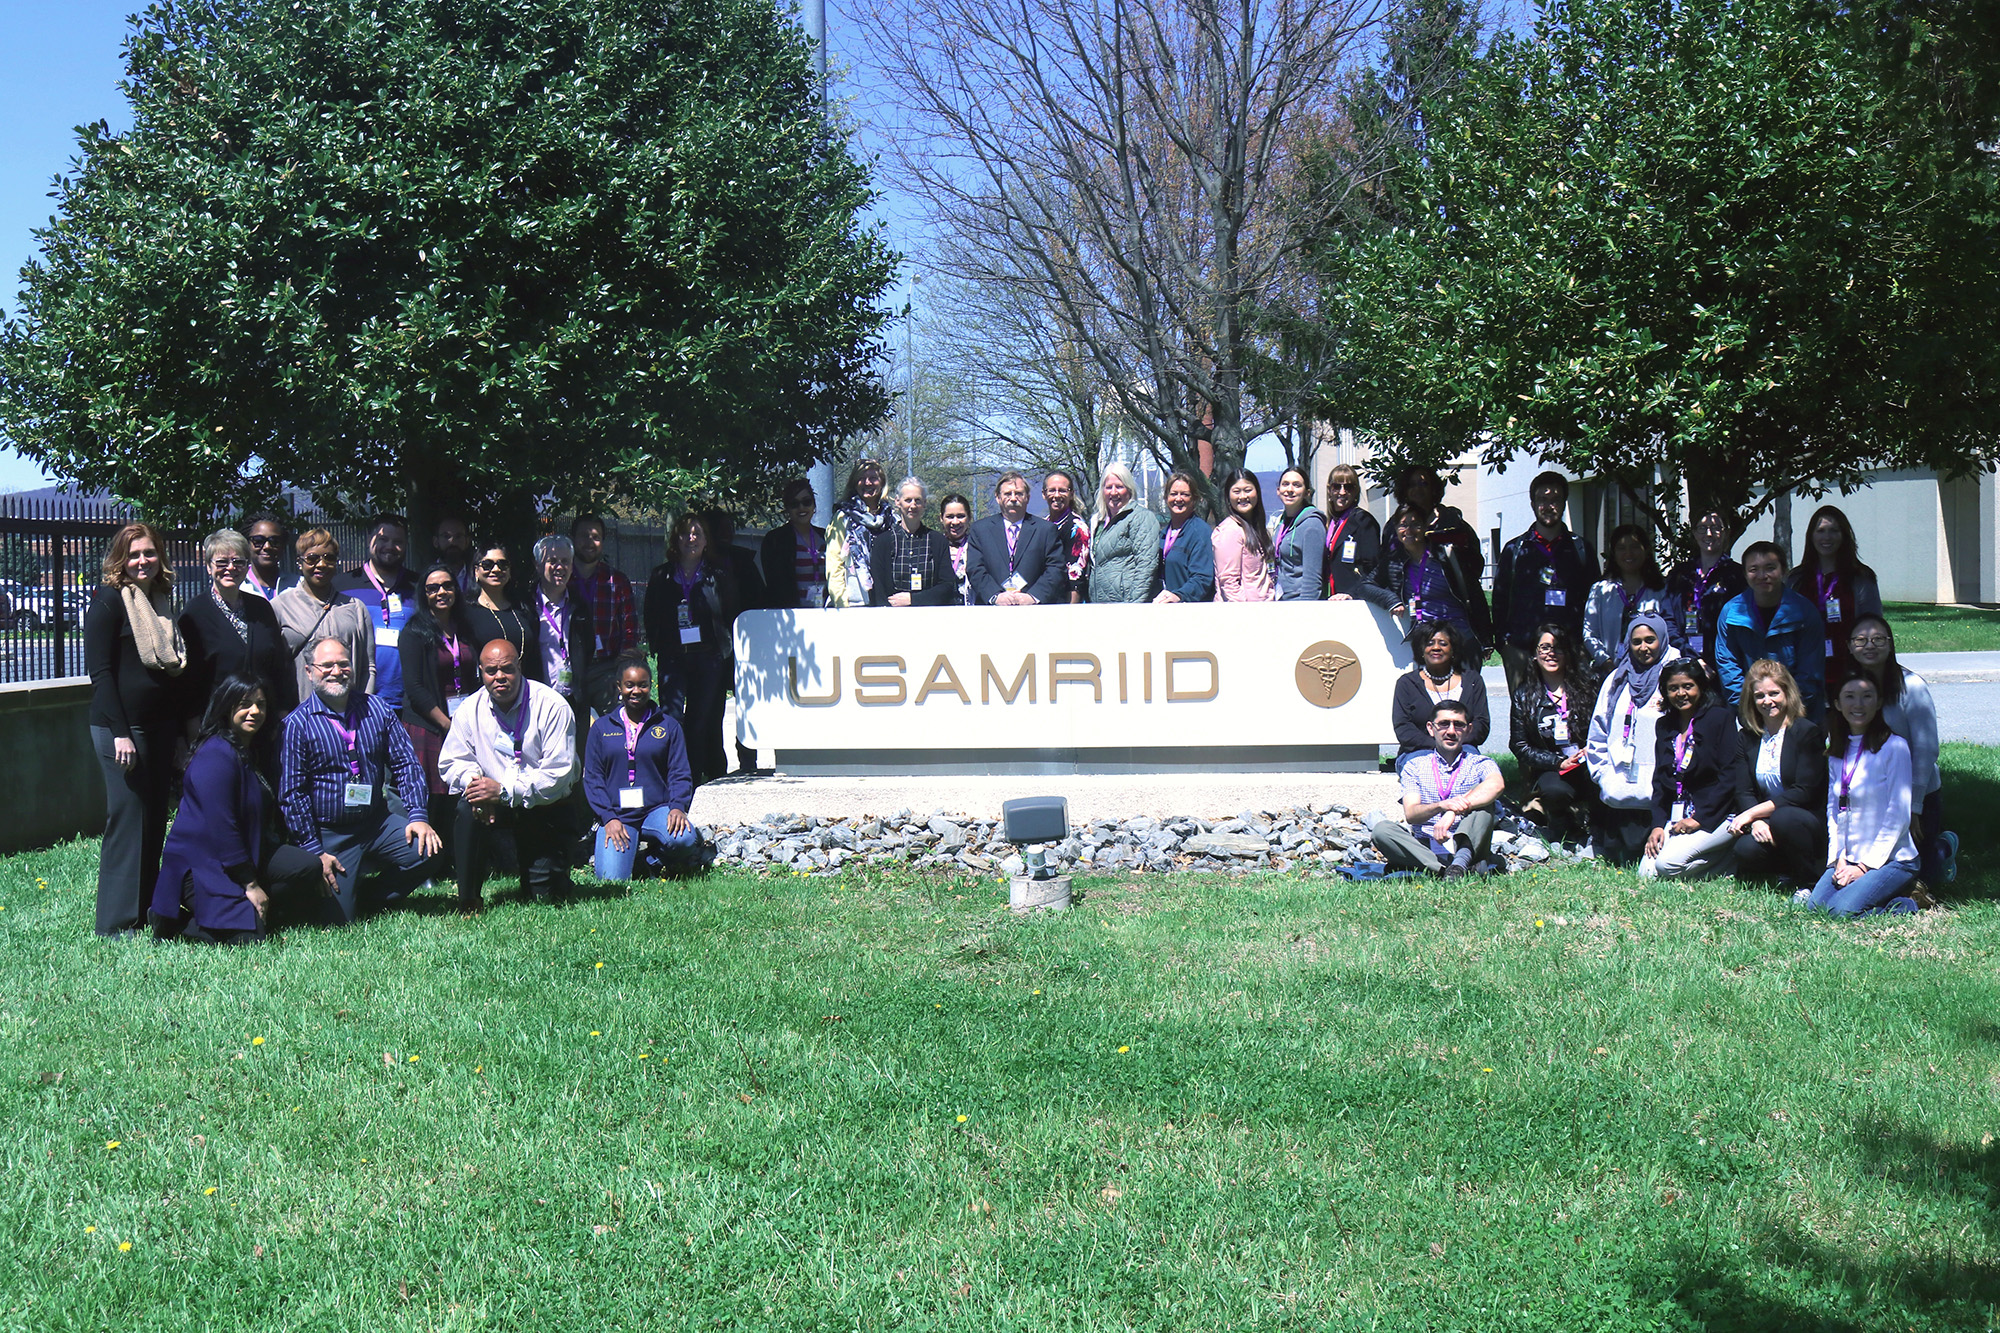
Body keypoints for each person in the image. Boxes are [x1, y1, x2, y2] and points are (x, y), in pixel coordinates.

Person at [151, 674, 324, 943]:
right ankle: (176, 924)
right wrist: (251, 885)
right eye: (245, 704)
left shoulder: (247, 749)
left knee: (308, 866)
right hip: (204, 865)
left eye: (261, 704)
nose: (255, 711)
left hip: (246, 853)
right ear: (226, 707)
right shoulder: (216, 755)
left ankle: (252, 910)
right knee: (250, 938)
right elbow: (224, 829)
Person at [279, 637, 442, 924]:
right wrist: (313, 850)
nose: (336, 671)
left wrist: (417, 815)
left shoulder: (377, 709)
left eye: (343, 664)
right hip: (331, 833)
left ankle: (370, 896)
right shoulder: (297, 725)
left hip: (375, 822)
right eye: (326, 665)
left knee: (430, 851)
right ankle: (344, 897)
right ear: (308, 672)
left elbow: (406, 764)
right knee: (338, 920)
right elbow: (293, 793)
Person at [86, 522, 185, 937]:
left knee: (153, 820)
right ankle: (115, 923)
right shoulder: (110, 600)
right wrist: (121, 733)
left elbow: (169, 678)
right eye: (133, 554)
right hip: (121, 731)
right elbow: (101, 674)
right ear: (119, 560)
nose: (142, 561)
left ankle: (145, 909)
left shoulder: (159, 600)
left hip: (160, 730)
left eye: (149, 552)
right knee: (127, 820)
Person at [440, 639, 579, 910]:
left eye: (507, 669)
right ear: (481, 672)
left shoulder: (552, 706)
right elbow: (451, 761)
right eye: (491, 671)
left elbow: (557, 775)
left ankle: (552, 874)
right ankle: (469, 899)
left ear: (520, 666)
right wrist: (477, 785)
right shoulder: (470, 709)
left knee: (544, 898)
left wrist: (503, 790)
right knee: (467, 808)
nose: (499, 677)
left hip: (544, 805)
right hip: (492, 804)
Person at [1846, 613, 1953, 885]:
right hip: (1874, 792)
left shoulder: (1912, 687)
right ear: (1849, 647)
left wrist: (1914, 807)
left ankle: (1944, 847)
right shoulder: (1850, 689)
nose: (1869, 645)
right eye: (1861, 640)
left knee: (1926, 880)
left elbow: (1926, 749)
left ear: (1891, 644)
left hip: (1917, 793)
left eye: (1878, 639)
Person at [1808, 671, 1923, 916]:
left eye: (1866, 696)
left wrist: (1864, 866)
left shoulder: (1895, 747)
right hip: (1848, 857)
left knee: (1841, 912)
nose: (1858, 704)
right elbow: (1833, 810)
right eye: (1849, 697)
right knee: (1815, 908)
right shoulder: (1837, 751)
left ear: (1879, 702)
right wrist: (1838, 857)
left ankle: (1905, 902)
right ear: (1837, 704)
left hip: (1892, 859)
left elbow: (1899, 816)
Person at [582, 657, 702, 880]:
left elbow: (680, 773)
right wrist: (608, 818)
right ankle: (627, 862)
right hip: (618, 814)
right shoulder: (601, 728)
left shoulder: (668, 726)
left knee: (685, 838)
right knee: (611, 880)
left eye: (643, 684)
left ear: (651, 684)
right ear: (619, 686)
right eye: (630, 685)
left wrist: (677, 806)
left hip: (655, 809)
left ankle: (649, 861)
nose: (636, 690)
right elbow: (593, 778)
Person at [642, 513, 738, 785]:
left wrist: (725, 654)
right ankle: (673, 776)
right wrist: (656, 647)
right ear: (676, 539)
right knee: (672, 718)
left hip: (708, 658)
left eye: (697, 533)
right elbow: (651, 614)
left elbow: (729, 615)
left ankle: (694, 781)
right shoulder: (662, 575)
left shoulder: (718, 577)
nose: (691, 539)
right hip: (674, 658)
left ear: (706, 540)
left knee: (699, 723)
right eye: (685, 533)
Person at [1371, 699, 1504, 876]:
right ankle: (1447, 871)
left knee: (1485, 804)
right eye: (1443, 724)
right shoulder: (1414, 766)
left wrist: (1453, 811)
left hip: (1466, 843)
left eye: (1458, 725)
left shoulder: (1480, 763)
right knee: (1382, 831)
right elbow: (1412, 814)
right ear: (1430, 728)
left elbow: (1496, 784)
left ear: (1468, 730)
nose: (1450, 731)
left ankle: (1459, 864)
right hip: (1425, 846)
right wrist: (1441, 806)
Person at [180, 527, 296, 729]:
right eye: (222, 562)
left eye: (239, 562)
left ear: (247, 567)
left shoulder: (261, 608)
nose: (230, 568)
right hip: (216, 724)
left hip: (261, 721)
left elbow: (279, 665)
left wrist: (282, 711)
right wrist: (191, 725)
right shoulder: (194, 613)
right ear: (208, 567)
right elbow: (187, 681)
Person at [1586, 612, 1679, 863]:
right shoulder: (1616, 679)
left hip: (1660, 798)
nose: (1643, 647)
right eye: (1636, 641)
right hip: (1619, 793)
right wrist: (1602, 775)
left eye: (1650, 640)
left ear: (1663, 639)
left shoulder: (1676, 677)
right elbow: (1598, 730)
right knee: (1618, 859)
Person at [1638, 659, 1743, 881]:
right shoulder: (1664, 725)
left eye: (1688, 686)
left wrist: (1700, 818)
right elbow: (1660, 781)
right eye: (1673, 688)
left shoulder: (1720, 718)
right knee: (1646, 875)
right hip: (1678, 815)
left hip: (1716, 814)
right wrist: (1657, 825)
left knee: (1666, 866)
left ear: (1701, 687)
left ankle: (1727, 862)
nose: (1681, 693)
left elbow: (1730, 775)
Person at [1492, 472, 1597, 693]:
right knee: (1524, 717)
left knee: (1573, 713)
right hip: (1522, 648)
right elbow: (1500, 599)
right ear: (1533, 504)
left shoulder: (1580, 549)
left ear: (1564, 503)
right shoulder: (1516, 549)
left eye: (1555, 500)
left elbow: (1592, 599)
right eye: (1542, 500)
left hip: (1570, 649)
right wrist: (1505, 644)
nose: (1548, 506)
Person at [1726, 659, 1828, 886]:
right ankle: (1786, 871)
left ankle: (1809, 882)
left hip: (1804, 821)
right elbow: (1744, 790)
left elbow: (1804, 792)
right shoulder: (1747, 737)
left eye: (1774, 693)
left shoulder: (1806, 732)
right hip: (1767, 820)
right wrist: (1756, 822)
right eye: (1760, 696)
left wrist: (1752, 814)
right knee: (1745, 850)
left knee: (1784, 817)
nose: (1767, 701)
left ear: (1787, 693)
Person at [398, 562, 480, 835]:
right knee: (431, 792)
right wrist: (447, 725)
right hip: (429, 723)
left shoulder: (466, 629)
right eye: (433, 588)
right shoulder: (414, 632)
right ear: (424, 594)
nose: (441, 592)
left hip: (462, 719)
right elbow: (415, 688)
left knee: (458, 789)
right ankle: (427, 859)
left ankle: (456, 852)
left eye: (447, 586)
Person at [1714, 540, 1825, 720]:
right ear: (1745, 574)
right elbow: (1727, 664)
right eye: (1753, 569)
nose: (1762, 575)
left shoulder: (1804, 612)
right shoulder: (1731, 612)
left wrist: (1784, 709)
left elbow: (1810, 671)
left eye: (1770, 568)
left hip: (1798, 715)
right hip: (1748, 714)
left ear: (1783, 570)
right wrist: (1750, 706)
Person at [1508, 624, 1598, 842]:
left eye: (1558, 648)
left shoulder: (1588, 688)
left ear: (1567, 653)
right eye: (1544, 647)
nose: (1551, 653)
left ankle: (1600, 827)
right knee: (1554, 790)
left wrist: (1591, 750)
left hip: (1589, 762)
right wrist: (1558, 762)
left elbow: (1603, 729)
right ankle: (1565, 827)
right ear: (1534, 655)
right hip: (1554, 768)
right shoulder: (1524, 696)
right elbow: (1519, 745)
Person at [272, 528, 376, 705]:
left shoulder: (356, 608)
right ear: (299, 562)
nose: (321, 564)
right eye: (312, 558)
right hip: (300, 715)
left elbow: (369, 668)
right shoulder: (280, 607)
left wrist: (362, 709)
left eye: (329, 558)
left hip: (350, 716)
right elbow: (272, 668)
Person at [1789, 504, 1883, 685]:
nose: (1827, 537)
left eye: (1834, 531)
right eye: (1821, 531)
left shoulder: (1861, 577)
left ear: (1844, 536)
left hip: (1851, 670)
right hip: (1805, 670)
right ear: (1811, 536)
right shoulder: (1796, 579)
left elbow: (1873, 626)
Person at [332, 514, 420, 709]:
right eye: (383, 539)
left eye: (398, 541)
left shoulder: (419, 587)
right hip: (357, 699)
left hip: (409, 704)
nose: (390, 546)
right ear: (369, 540)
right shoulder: (341, 586)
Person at [1371, 505, 1488, 650]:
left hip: (1460, 640)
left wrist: (1486, 640)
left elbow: (1475, 594)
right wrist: (1391, 600)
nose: (1409, 530)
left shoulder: (1446, 556)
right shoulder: (1394, 562)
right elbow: (1365, 585)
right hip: (1426, 644)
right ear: (1395, 529)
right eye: (1403, 525)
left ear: (1425, 527)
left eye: (1415, 524)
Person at [1392, 621, 1490, 768]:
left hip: (1463, 748)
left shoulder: (1473, 681)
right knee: (1425, 771)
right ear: (1421, 650)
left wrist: (1454, 744)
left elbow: (1481, 724)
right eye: (1430, 643)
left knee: (1476, 770)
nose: (1436, 648)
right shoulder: (1406, 684)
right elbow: (1403, 728)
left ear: (1453, 650)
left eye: (1443, 643)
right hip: (1418, 751)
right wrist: (1439, 745)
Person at [1583, 524, 1681, 670]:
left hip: (1653, 672)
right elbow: (1589, 633)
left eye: (1635, 547)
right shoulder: (1600, 591)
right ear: (1614, 553)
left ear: (1646, 550)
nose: (1628, 553)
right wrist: (1605, 662)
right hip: (1609, 671)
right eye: (1621, 548)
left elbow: (1668, 632)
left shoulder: (1660, 590)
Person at [571, 512, 642, 710]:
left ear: (602, 541)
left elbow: (630, 627)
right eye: (584, 536)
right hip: (569, 669)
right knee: (574, 732)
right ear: (573, 539)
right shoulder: (562, 579)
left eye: (595, 537)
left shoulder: (616, 580)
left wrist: (622, 665)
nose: (589, 542)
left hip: (606, 667)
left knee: (618, 728)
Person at [967, 471, 1064, 605]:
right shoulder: (980, 530)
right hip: (991, 610)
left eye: (1018, 493)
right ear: (997, 497)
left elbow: (1055, 568)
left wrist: (1033, 596)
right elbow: (975, 569)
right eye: (1007, 494)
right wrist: (996, 596)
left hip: (1034, 610)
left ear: (1027, 497)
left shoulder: (1046, 530)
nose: (1013, 498)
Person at [1665, 510, 1747, 666]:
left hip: (1725, 661)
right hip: (1682, 660)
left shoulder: (1737, 575)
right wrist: (1686, 653)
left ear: (1725, 533)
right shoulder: (1680, 574)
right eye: (1702, 528)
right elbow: (1668, 618)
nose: (1709, 534)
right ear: (1694, 533)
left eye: (1716, 528)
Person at [1393, 464, 1486, 589]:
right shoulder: (1394, 526)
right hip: (1407, 598)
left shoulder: (1453, 523)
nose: (1417, 489)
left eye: (1423, 484)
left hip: (1449, 601)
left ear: (1433, 489)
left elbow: (1475, 564)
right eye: (1411, 484)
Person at [530, 534, 596, 705]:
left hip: (574, 700)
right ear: (538, 565)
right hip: (535, 700)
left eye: (565, 561)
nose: (559, 567)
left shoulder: (580, 606)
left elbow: (588, 649)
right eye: (552, 561)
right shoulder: (526, 608)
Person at [869, 478, 955, 606]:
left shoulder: (938, 541)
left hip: (929, 615)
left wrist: (914, 600)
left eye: (918, 500)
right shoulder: (882, 542)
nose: (913, 505)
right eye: (908, 500)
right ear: (898, 502)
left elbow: (947, 585)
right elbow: (878, 590)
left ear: (925, 503)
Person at [1087, 462, 1162, 603]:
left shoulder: (1141, 517)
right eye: (1109, 487)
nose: (1113, 492)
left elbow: (1146, 566)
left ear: (1129, 489)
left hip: (1126, 607)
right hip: (1099, 606)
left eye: (1119, 487)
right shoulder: (1098, 522)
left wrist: (1132, 607)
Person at [824, 458, 891, 609]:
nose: (867, 483)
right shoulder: (843, 517)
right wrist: (841, 603)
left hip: (887, 601)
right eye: (861, 479)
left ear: (882, 483)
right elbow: (834, 564)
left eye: (873, 478)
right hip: (854, 603)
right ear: (854, 484)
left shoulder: (892, 517)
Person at [459, 543, 539, 668]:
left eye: (503, 564)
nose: (496, 569)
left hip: (526, 684)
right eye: (487, 565)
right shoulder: (465, 612)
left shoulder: (523, 608)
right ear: (476, 571)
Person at [1322, 464, 1389, 604]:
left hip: (1354, 601)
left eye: (1348, 487)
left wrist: (1352, 594)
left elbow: (1374, 568)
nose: (1342, 492)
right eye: (1336, 487)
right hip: (1332, 598)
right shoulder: (1330, 523)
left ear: (1356, 491)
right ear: (1329, 490)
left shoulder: (1364, 522)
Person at [759, 478, 827, 610]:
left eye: (806, 502)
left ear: (814, 505)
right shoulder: (775, 540)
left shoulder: (826, 536)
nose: (801, 508)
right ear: (787, 509)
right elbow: (776, 586)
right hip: (792, 618)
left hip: (825, 613)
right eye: (794, 504)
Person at [1212, 467, 1276, 602]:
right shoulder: (1230, 531)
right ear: (1228, 496)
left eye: (1248, 490)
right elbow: (1229, 583)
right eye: (1236, 491)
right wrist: (1244, 615)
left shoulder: (1257, 529)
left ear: (1257, 493)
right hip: (1244, 614)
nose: (1243, 496)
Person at [1153, 471, 1215, 604]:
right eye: (1174, 494)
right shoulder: (1163, 535)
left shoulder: (1200, 532)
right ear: (1166, 497)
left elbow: (1202, 578)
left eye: (1185, 494)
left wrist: (1179, 596)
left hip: (1189, 609)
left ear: (1194, 499)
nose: (1178, 499)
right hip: (1165, 606)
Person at [1269, 467, 1326, 601]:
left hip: (1299, 604)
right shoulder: (1282, 522)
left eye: (1296, 485)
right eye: (1285, 484)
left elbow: (1312, 580)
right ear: (1278, 491)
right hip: (1283, 600)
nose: (1290, 489)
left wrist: (1303, 613)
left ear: (1307, 492)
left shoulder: (1312, 525)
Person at [1043, 469, 1092, 603]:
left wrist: (1070, 612)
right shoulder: (1043, 525)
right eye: (1052, 490)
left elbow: (1076, 576)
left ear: (1071, 494)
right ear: (1044, 494)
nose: (1057, 495)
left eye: (1062, 490)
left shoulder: (1077, 528)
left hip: (1065, 601)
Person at [241, 511, 295, 601]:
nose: (267, 547)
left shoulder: (299, 586)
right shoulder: (238, 586)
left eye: (275, 541)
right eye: (258, 540)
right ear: (247, 544)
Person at [939, 493, 976, 605]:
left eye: (960, 516)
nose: (955, 522)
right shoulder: (935, 546)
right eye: (950, 517)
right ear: (941, 518)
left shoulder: (977, 546)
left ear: (969, 517)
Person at [432, 513, 477, 596]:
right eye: (446, 536)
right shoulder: (425, 577)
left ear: (467, 541)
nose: (452, 542)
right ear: (436, 542)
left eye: (458, 536)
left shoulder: (477, 577)